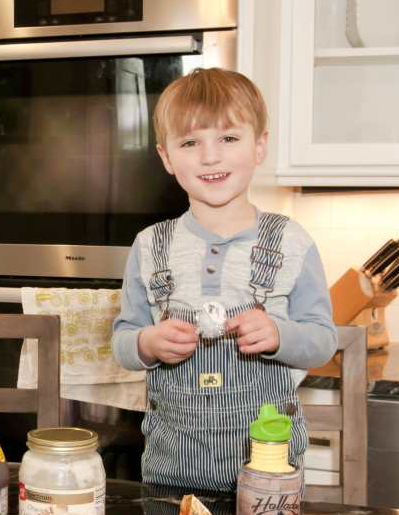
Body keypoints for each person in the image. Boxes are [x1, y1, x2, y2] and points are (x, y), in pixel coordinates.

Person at [112, 68, 337, 492]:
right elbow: (122, 341)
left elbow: (323, 340)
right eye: (190, 143)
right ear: (166, 157)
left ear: (259, 146)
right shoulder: (149, 246)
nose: (210, 157)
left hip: (269, 480)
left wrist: (278, 335)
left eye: (229, 138)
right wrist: (147, 343)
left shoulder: (291, 242)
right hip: (170, 476)